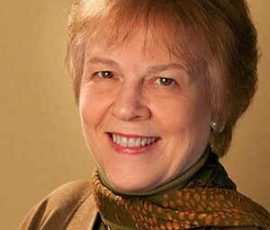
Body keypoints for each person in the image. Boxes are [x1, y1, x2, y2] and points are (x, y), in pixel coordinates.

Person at [19, 0, 270, 229]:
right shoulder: (58, 215)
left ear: (220, 102)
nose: (127, 109)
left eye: (164, 80)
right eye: (106, 74)